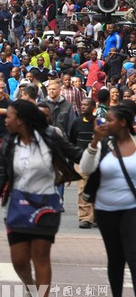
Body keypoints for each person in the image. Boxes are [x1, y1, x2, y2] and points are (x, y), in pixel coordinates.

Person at [0, 99, 82, 297]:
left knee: (41, 256)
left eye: (9, 116)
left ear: (21, 120)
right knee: (19, 260)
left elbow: (76, 154)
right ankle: (29, 286)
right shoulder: (9, 143)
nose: (5, 120)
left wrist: (98, 152)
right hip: (18, 203)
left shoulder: (49, 137)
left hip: (46, 204)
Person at [80, 101, 136, 297]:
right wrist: (94, 140)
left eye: (110, 120)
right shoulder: (103, 144)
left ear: (122, 123)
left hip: (132, 208)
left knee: (133, 255)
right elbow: (85, 168)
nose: (105, 123)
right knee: (115, 257)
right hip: (105, 209)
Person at [68, 98, 96, 229]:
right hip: (81, 163)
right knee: (82, 190)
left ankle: (96, 216)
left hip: (97, 162)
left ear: (93, 107)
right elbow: (71, 142)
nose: (83, 107)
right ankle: (85, 218)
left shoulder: (99, 123)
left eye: (86, 105)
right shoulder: (76, 123)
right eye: (82, 105)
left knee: (97, 189)